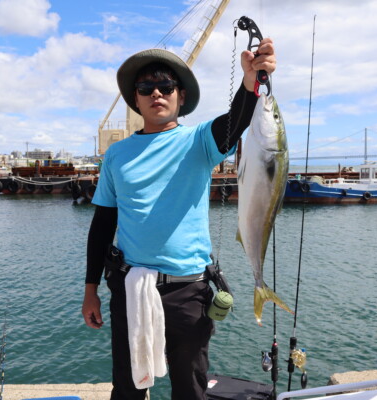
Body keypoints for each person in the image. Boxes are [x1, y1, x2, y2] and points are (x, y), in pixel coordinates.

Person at [82, 40, 276, 399]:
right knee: (126, 387)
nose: (156, 93)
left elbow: (233, 124)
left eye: (166, 86)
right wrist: (90, 289)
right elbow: (102, 225)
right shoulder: (116, 155)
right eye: (145, 88)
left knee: (189, 387)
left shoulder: (198, 141)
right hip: (129, 286)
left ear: (180, 97)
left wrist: (251, 82)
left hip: (188, 290)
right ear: (135, 100)